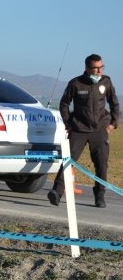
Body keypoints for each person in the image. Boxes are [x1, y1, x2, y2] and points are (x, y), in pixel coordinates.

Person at [48, 53, 119, 208]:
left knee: (101, 164)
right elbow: (64, 103)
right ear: (87, 68)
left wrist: (113, 123)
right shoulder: (76, 83)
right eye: (96, 68)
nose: (99, 71)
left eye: (101, 67)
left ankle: (100, 196)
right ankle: (56, 192)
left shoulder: (106, 82)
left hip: (100, 129)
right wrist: (68, 123)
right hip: (78, 129)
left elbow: (114, 103)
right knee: (69, 161)